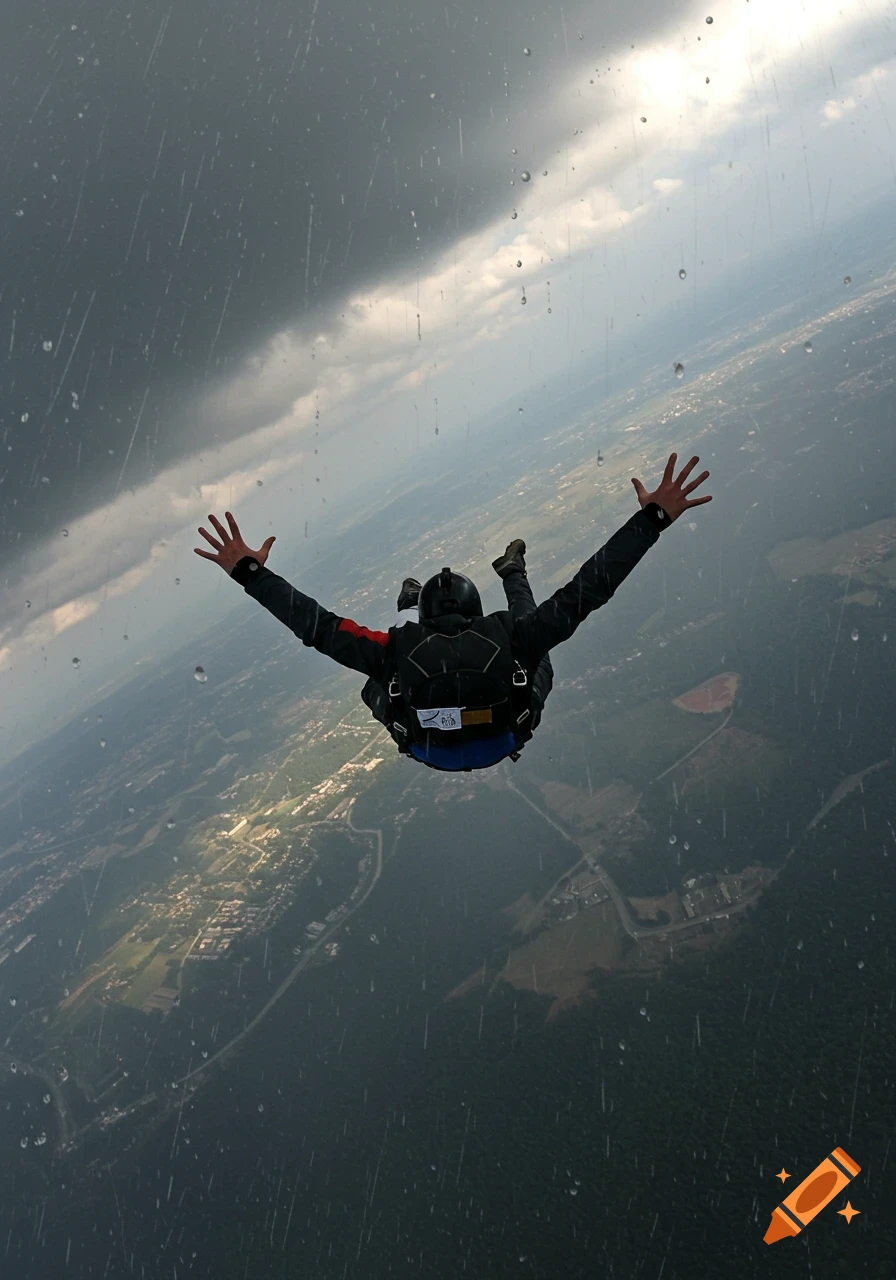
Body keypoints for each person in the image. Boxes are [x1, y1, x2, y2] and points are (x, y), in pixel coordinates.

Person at [194, 452, 712, 773]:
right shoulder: (511, 636)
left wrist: (250, 573)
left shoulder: (394, 650)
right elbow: (587, 590)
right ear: (473, 608)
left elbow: (317, 627)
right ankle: (513, 571)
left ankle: (424, 598)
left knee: (373, 683)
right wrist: (653, 518)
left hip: (428, 749)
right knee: (541, 651)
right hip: (505, 733)